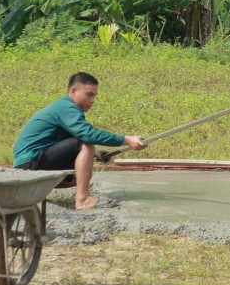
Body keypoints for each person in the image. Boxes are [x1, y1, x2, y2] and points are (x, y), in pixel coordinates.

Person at [13, 72, 146, 210]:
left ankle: (42, 195)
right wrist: (126, 140)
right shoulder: (66, 107)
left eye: (94, 96)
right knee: (85, 143)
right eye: (89, 94)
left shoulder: (65, 108)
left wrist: (95, 152)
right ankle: (83, 200)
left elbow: (65, 140)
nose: (93, 100)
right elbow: (87, 135)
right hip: (31, 162)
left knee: (82, 171)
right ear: (73, 91)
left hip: (29, 163)